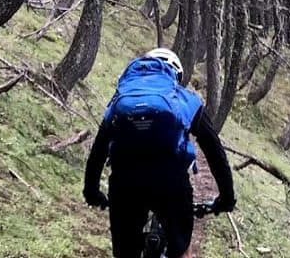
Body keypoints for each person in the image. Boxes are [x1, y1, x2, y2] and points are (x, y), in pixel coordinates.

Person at [83, 48, 237, 258]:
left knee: (125, 252)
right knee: (181, 249)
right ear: (175, 75)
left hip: (125, 185)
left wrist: (91, 192)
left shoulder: (120, 100)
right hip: (171, 185)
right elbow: (215, 151)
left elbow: (99, 150)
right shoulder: (185, 99)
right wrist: (226, 197)